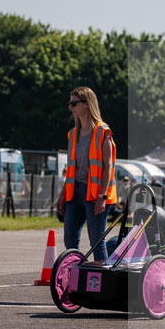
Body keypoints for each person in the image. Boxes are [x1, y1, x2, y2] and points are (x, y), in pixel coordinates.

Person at [55, 86, 117, 261]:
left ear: (87, 104)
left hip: (95, 195)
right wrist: (62, 196)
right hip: (74, 193)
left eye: (74, 103)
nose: (70, 107)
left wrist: (102, 196)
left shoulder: (102, 132)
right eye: (69, 103)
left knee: (97, 242)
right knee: (69, 241)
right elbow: (71, 170)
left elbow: (108, 167)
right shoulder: (73, 134)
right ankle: (77, 276)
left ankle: (100, 283)